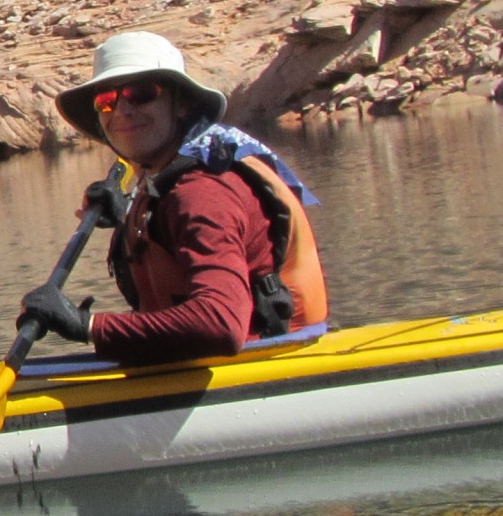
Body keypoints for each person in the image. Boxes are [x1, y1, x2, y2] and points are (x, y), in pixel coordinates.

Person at [18, 31, 328, 367]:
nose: (121, 110)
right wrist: (126, 215)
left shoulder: (203, 193)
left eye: (141, 94)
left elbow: (220, 324)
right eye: (107, 100)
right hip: (192, 366)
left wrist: (87, 326)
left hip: (258, 370)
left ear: (182, 104)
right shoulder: (166, 179)